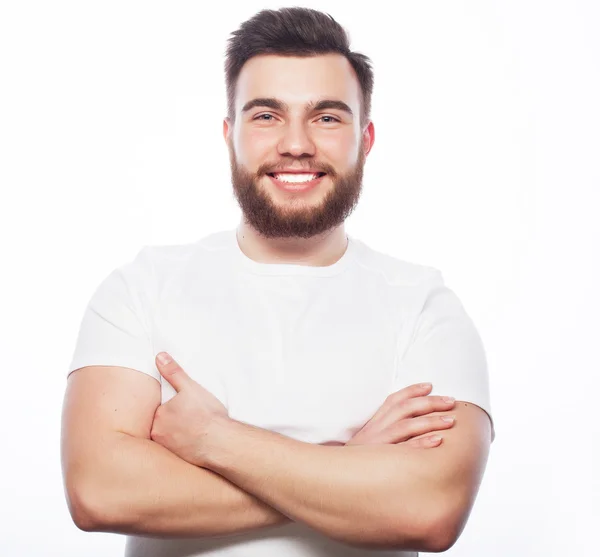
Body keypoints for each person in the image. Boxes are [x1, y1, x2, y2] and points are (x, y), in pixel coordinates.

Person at [61, 7, 494, 557]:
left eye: (327, 117)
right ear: (229, 134)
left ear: (366, 138)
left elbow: (430, 511)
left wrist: (213, 440)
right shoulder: (140, 289)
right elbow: (100, 492)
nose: (296, 144)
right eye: (267, 115)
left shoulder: (426, 308)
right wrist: (349, 466)